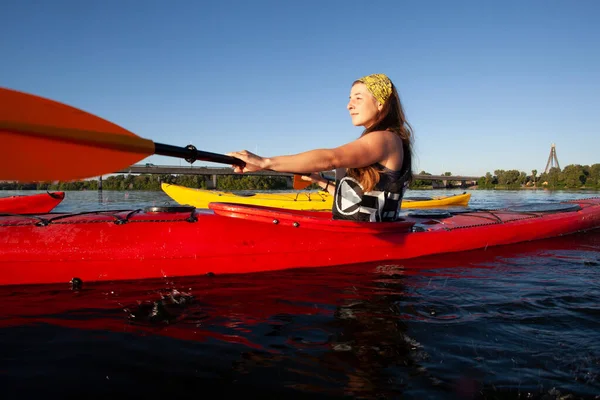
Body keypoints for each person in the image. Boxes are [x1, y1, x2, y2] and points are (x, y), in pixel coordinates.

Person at [227, 73, 413, 222]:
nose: (349, 105)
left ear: (381, 103)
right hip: (352, 234)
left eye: (358, 98)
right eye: (349, 98)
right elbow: (354, 199)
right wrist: (320, 182)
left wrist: (264, 162)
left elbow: (331, 158)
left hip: (369, 241)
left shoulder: (386, 139)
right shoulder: (381, 139)